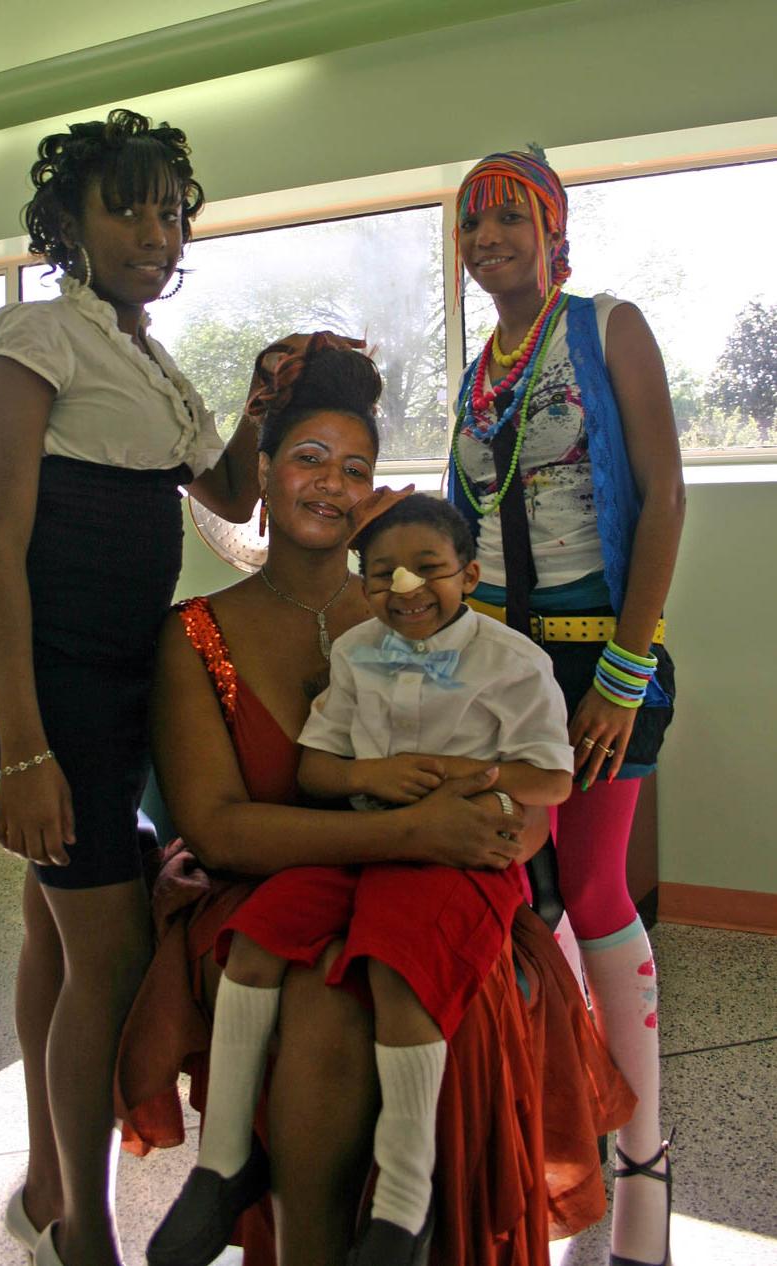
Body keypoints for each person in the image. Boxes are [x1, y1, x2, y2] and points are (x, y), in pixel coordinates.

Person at [115, 334, 637, 1266]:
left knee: (420, 981)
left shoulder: (428, 609)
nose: (332, 484)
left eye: (355, 468)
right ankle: (282, 1211)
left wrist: (481, 836)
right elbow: (221, 828)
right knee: (320, 1003)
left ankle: (411, 1216)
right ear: (265, 473)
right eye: (308, 458)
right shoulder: (195, 635)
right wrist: (410, 827)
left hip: (444, 882)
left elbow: (521, 801)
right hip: (269, 889)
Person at [0, 108, 267, 1266]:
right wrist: (26, 750)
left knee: (58, 931)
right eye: (126, 206)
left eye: (171, 209)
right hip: (48, 675)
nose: (156, 229)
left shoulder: (148, 358)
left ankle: (47, 1185)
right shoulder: (31, 331)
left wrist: (266, 400)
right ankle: (83, 1236)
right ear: (70, 224)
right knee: (114, 951)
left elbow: (231, 500)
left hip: (132, 667)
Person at [152, 491, 574, 1266]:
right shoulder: (352, 653)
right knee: (255, 940)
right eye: (383, 575)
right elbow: (315, 771)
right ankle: (222, 1166)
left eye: (428, 570)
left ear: (469, 574)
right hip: (354, 846)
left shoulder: (513, 661)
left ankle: (403, 1206)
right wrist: (379, 780)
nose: (405, 589)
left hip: (457, 864)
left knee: (396, 969)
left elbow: (552, 781)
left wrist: (458, 778)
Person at [450, 150, 684, 1266]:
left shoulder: (606, 325)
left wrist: (625, 678)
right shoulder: (474, 371)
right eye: (472, 222)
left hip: (603, 665)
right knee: (525, 902)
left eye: (509, 215)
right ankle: (559, 1136)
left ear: (552, 229)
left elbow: (668, 491)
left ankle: (643, 1153)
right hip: (505, 669)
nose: (488, 234)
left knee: (592, 890)